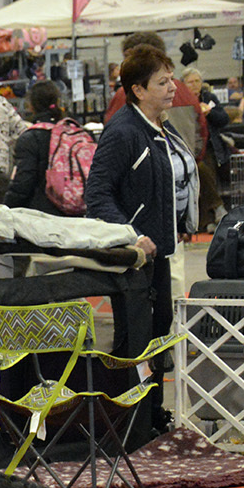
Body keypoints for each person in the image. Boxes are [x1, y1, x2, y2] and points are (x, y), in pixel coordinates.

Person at [85, 45, 197, 433]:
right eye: (162, 82)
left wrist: (180, 218)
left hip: (161, 252)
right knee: (138, 340)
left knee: (159, 332)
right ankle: (133, 421)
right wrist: (133, 234)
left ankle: (152, 414)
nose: (173, 87)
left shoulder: (159, 126)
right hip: (134, 258)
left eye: (172, 79)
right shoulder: (123, 132)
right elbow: (97, 193)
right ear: (138, 89)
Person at [103, 32, 207, 164]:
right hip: (185, 167)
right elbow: (201, 133)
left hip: (144, 171)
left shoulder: (128, 93)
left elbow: (111, 142)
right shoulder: (184, 91)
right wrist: (190, 161)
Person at [5, 81, 69, 216]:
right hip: (77, 212)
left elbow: (23, 184)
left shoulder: (30, 138)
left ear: (31, 105)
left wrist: (5, 208)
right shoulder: (72, 132)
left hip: (42, 215)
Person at [181, 68, 229, 228]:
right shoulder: (181, 101)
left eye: (197, 81)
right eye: (191, 82)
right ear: (184, 84)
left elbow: (224, 119)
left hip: (212, 146)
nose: (195, 85)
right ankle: (217, 209)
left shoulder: (209, 98)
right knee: (202, 172)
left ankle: (209, 221)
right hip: (190, 148)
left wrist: (209, 113)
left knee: (208, 175)